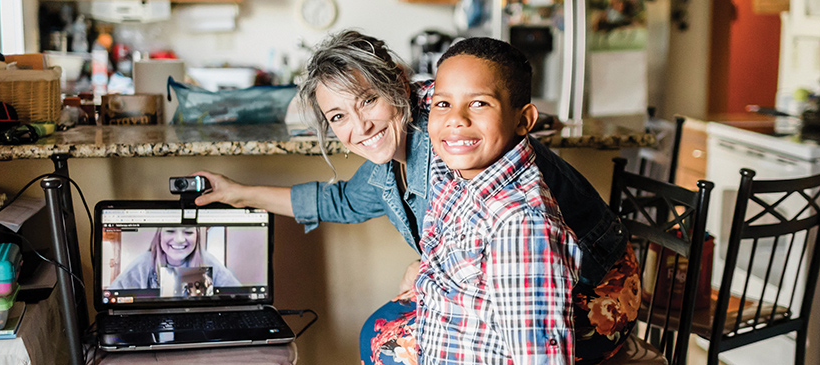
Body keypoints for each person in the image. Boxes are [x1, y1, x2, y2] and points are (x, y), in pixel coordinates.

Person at [193, 30, 638, 364]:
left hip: (592, 287)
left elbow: (509, 238)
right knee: (381, 330)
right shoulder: (396, 152)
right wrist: (237, 193)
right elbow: (342, 202)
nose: (359, 127)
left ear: (399, 86)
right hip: (516, 284)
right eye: (338, 116)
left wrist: (428, 264)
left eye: (367, 101)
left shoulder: (449, 137)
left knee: (385, 341)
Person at [415, 36, 581, 364]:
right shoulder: (458, 171)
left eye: (479, 103)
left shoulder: (520, 225)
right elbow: (423, 97)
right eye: (443, 104)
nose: (456, 120)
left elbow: (538, 358)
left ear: (523, 120)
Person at [109, 226, 241, 290]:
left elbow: (237, 292)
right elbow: (112, 297)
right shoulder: (144, 263)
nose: (179, 239)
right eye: (170, 231)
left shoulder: (206, 260)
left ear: (197, 236)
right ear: (159, 235)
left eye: (188, 232)